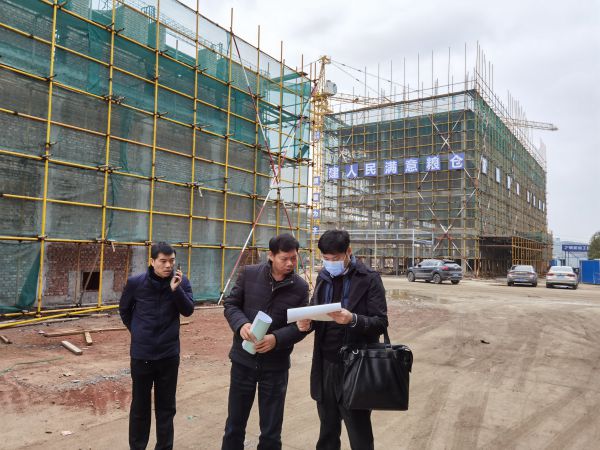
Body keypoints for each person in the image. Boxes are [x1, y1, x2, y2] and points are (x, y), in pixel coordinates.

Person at [297, 229, 388, 450]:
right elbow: (316, 311)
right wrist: (307, 323)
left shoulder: (369, 279)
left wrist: (353, 319)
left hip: (356, 366)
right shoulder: (323, 278)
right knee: (327, 428)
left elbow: (380, 322)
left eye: (335, 258)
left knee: (358, 431)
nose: (330, 263)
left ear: (348, 252)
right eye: (326, 258)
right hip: (326, 363)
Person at [222, 233, 309, 450]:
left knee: (271, 430)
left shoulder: (300, 287)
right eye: (284, 258)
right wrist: (241, 324)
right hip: (243, 361)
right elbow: (231, 304)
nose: (290, 263)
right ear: (271, 255)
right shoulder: (249, 274)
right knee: (234, 425)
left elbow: (301, 327)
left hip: (275, 366)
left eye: (293, 258)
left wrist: (276, 339)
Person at [119, 242, 194, 450]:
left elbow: (188, 310)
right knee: (140, 407)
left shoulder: (181, 282)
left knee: (166, 408)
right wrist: (138, 331)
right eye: (163, 261)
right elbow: (124, 310)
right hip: (142, 355)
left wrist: (176, 290)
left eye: (171, 261)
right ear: (152, 261)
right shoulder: (136, 283)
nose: (168, 265)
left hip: (169, 355)